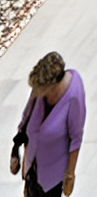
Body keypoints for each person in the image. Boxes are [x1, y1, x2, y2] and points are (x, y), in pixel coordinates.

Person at [10, 51, 86, 197]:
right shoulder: (40, 89)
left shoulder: (73, 97)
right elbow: (27, 117)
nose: (37, 92)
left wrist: (70, 176)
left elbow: (76, 138)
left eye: (41, 90)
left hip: (52, 175)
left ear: (53, 86)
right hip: (33, 168)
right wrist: (17, 150)